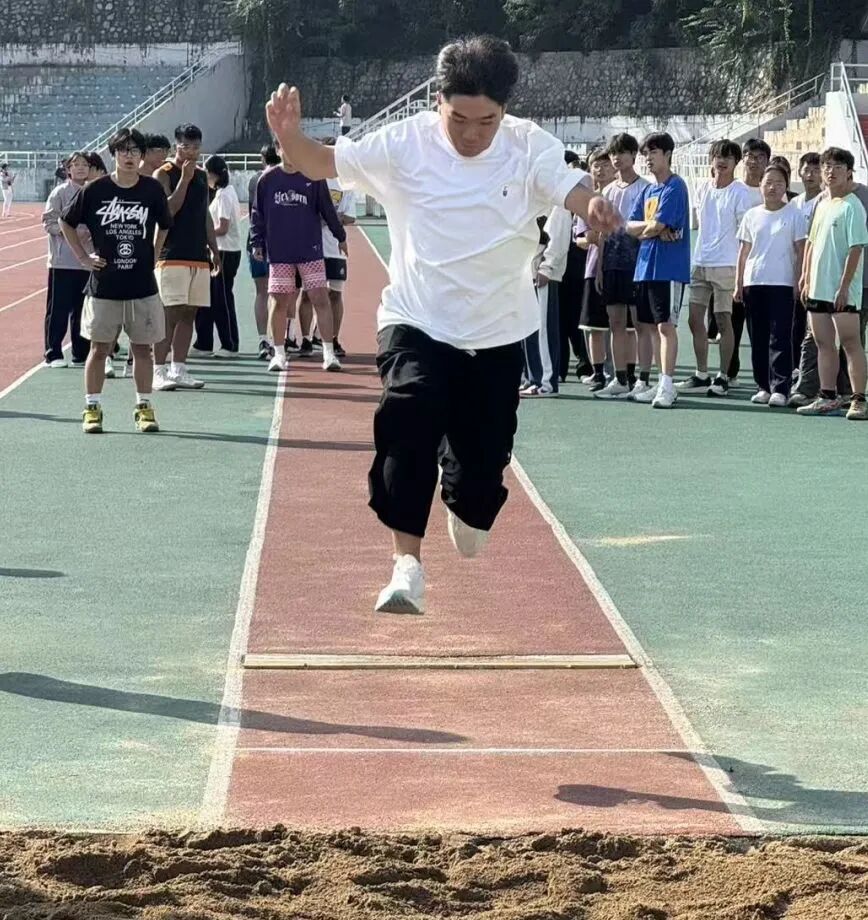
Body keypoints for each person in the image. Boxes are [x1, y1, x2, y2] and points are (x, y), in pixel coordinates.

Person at [264, 35, 619, 614]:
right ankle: (406, 564)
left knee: (478, 491)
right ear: (438, 102)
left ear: (504, 110)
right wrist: (289, 137)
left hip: (496, 332)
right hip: (416, 319)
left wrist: (593, 205)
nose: (472, 134)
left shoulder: (528, 144)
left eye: (487, 122)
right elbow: (322, 162)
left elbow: (570, 187)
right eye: (460, 119)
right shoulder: (404, 143)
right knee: (407, 415)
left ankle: (466, 500)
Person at [60, 128, 172, 434]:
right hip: (104, 285)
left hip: (142, 285)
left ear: (142, 155)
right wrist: (84, 258)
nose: (129, 156)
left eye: (135, 150)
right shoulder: (95, 190)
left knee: (143, 350)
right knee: (99, 349)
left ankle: (144, 407)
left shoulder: (151, 190)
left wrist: (155, 252)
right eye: (123, 150)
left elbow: (165, 224)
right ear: (114, 154)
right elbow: (66, 222)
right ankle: (92, 408)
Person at [250, 141, 347, 373]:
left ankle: (328, 353)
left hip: (309, 250)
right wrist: (256, 242)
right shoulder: (267, 180)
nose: (290, 153)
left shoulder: (313, 176)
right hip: (280, 252)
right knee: (279, 301)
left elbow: (327, 209)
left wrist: (341, 236)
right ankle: (279, 354)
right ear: (278, 150)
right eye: (285, 148)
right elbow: (257, 213)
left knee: (320, 298)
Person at [679, 140, 754, 398]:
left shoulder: (740, 192)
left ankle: (723, 376)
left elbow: (745, 234)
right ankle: (701, 373)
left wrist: (741, 272)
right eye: (718, 156)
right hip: (701, 262)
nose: (721, 161)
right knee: (693, 319)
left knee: (723, 320)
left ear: (736, 162)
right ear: (711, 160)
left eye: (728, 157)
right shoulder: (702, 188)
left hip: (727, 265)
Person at [797, 147, 868, 420]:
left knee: (850, 343)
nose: (831, 172)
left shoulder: (853, 206)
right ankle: (827, 396)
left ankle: (858, 399)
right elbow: (812, 243)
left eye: (838, 167)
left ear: (849, 172)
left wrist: (844, 286)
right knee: (823, 343)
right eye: (827, 166)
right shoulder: (822, 203)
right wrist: (806, 277)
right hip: (818, 288)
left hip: (842, 291)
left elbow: (856, 248)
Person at [153, 124, 221, 391]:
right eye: (185, 147)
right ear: (175, 147)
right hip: (172, 254)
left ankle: (179, 368)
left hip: (197, 255)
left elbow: (205, 215)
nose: (191, 152)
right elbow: (168, 210)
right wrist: (184, 178)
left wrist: (214, 249)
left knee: (189, 313)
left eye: (195, 147)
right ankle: (158, 370)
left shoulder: (203, 176)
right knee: (170, 313)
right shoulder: (164, 173)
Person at [627, 132, 691, 409]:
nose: (648, 159)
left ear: (667, 154)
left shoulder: (676, 186)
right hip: (645, 267)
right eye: (646, 154)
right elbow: (630, 226)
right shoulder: (648, 190)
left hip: (669, 268)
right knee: (651, 326)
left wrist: (652, 228)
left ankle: (667, 384)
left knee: (666, 325)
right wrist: (651, 229)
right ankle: (660, 381)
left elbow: (657, 225)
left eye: (653, 153)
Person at [735, 164, 806, 406]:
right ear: (760, 185)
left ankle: (780, 388)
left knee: (780, 336)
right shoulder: (751, 215)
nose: (772, 187)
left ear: (786, 186)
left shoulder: (794, 214)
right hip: (754, 282)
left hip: (782, 283)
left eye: (778, 183)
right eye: (768, 183)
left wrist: (799, 280)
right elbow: (744, 252)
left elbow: (801, 250)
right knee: (758, 337)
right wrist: (738, 283)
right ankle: (763, 386)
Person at [594, 133, 651, 400]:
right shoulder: (607, 191)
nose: (616, 158)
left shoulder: (646, 188)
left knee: (641, 324)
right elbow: (602, 232)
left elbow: (649, 228)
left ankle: (644, 379)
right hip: (612, 263)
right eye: (613, 153)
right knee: (615, 322)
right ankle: (620, 378)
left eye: (622, 152)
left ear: (633, 155)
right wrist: (599, 268)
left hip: (637, 263)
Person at [296, 138, 357, 359]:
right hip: (312, 247)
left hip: (335, 249)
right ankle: (305, 339)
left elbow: (350, 217)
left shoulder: (346, 184)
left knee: (335, 295)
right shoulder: (312, 179)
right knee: (307, 294)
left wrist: (330, 217)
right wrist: (324, 217)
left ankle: (332, 338)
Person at [42, 151, 92, 370]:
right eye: (76, 165)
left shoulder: (93, 192)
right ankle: (53, 352)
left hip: (87, 261)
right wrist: (69, 233)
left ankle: (80, 352)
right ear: (68, 169)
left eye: (84, 164)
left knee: (83, 309)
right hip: (62, 261)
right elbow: (48, 222)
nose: (80, 168)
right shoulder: (60, 192)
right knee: (58, 309)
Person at [520, 203, 573, 397]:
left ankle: (546, 381)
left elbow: (558, 239)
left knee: (543, 327)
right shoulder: (534, 200)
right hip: (527, 272)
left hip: (543, 274)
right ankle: (531, 377)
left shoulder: (559, 205)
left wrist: (547, 268)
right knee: (529, 329)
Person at [193, 155, 242, 356]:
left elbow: (222, 227)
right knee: (209, 298)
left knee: (222, 299)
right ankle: (204, 343)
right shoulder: (224, 192)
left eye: (207, 172)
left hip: (225, 251)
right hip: (221, 250)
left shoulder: (223, 195)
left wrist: (202, 233)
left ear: (214, 174)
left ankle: (230, 344)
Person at [577, 148, 616, 392]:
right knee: (593, 326)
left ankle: (620, 373)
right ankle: (598, 372)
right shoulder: (587, 200)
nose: (600, 170)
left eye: (604, 164)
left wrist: (597, 235)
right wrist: (592, 237)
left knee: (620, 324)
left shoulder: (620, 195)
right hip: (592, 268)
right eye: (595, 165)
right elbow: (582, 238)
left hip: (618, 267)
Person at [558, 151, 592, 381]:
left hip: (578, 264)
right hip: (561, 265)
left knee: (575, 317)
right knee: (562, 318)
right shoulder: (555, 196)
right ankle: (561, 367)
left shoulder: (582, 197)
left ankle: (584, 363)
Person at [789, 152, 823, 378]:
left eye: (815, 170)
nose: (810, 175)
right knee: (794, 324)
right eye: (807, 170)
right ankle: (795, 369)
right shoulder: (794, 203)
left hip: (816, 273)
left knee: (815, 328)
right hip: (793, 271)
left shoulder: (825, 201)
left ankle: (815, 374)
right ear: (799, 172)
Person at [248, 144, 281, 359]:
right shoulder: (281, 178)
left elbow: (254, 212)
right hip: (278, 241)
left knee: (262, 291)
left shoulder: (255, 180)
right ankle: (279, 340)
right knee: (279, 293)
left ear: (262, 158)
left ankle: (264, 339)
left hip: (256, 239)